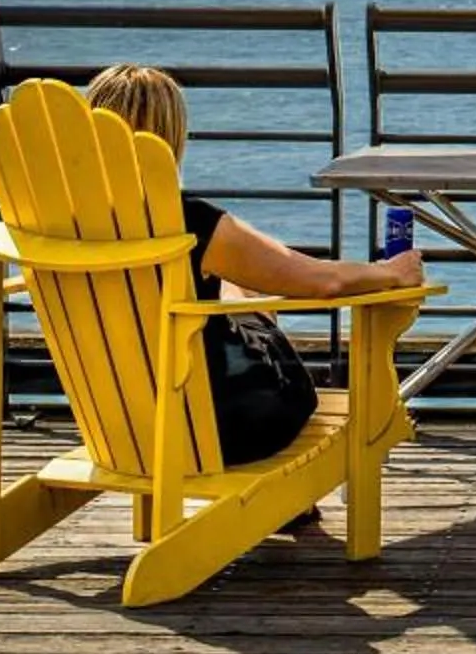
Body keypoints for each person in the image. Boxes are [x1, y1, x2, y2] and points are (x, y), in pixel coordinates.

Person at [85, 64, 424, 468]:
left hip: (117, 423)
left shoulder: (59, 221)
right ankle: (293, 493)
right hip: (216, 425)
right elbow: (322, 282)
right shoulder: (188, 223)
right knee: (255, 293)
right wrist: (391, 273)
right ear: (170, 137)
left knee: (235, 287)